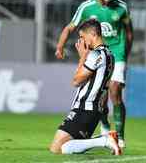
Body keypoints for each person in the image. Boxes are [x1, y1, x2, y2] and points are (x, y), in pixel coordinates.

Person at [55, 0, 134, 148]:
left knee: (114, 91)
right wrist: (60, 46)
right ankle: (105, 128)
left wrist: (125, 56)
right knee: (101, 96)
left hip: (117, 54)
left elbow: (129, 32)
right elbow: (70, 27)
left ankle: (119, 135)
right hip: (96, 55)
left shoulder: (121, 7)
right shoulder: (86, 7)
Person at [50, 19, 121, 155]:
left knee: (57, 148)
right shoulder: (109, 55)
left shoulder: (95, 55)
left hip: (85, 108)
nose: (81, 41)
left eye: (82, 37)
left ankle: (105, 140)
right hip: (93, 110)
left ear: (93, 34)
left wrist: (82, 57)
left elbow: (76, 81)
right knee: (65, 147)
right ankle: (105, 140)